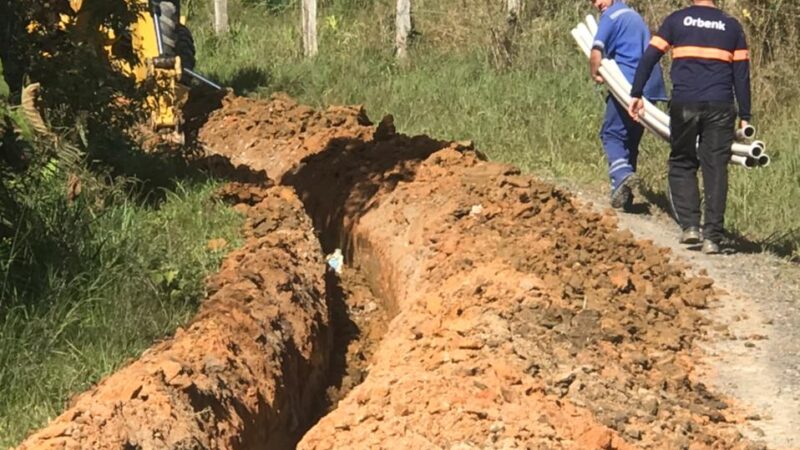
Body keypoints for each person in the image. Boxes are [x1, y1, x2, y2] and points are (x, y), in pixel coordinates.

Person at [628, 0, 751, 254]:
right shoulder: (731, 26)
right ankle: (713, 237)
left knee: (683, 161)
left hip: (685, 102)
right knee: (715, 168)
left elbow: (650, 56)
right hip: (721, 105)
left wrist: (636, 92)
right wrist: (745, 115)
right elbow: (741, 74)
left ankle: (691, 227)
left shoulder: (677, 20)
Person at [588, 0, 667, 210]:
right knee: (630, 139)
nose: (596, 4)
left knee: (612, 134)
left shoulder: (611, 16)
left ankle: (622, 175)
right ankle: (623, 192)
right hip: (650, 85)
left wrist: (595, 72)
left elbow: (596, 50)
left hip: (627, 85)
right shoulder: (633, 16)